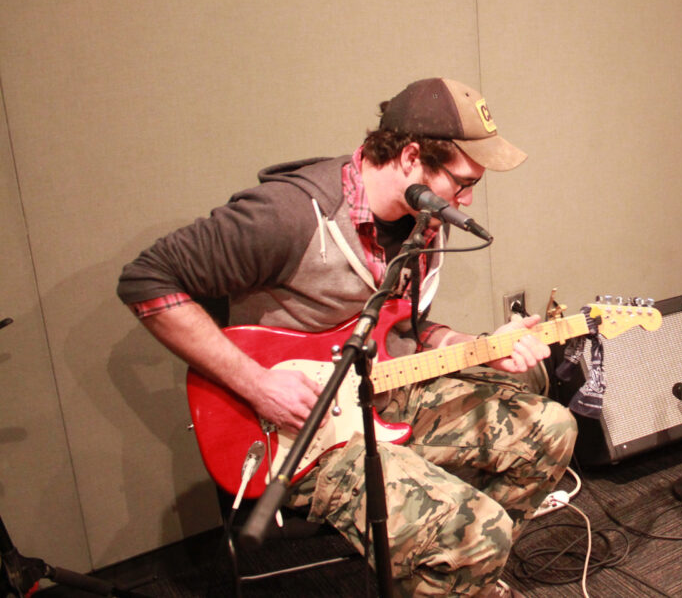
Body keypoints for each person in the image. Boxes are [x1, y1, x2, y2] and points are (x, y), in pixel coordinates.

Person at [117, 77, 577, 597]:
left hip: (383, 394)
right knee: (479, 530)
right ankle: (461, 557)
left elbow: (412, 328)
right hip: (298, 428)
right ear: (409, 157)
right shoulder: (288, 215)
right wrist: (256, 383)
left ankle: (455, 575)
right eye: (463, 181)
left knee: (550, 429)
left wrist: (483, 348)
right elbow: (145, 280)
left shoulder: (426, 217)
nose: (467, 199)